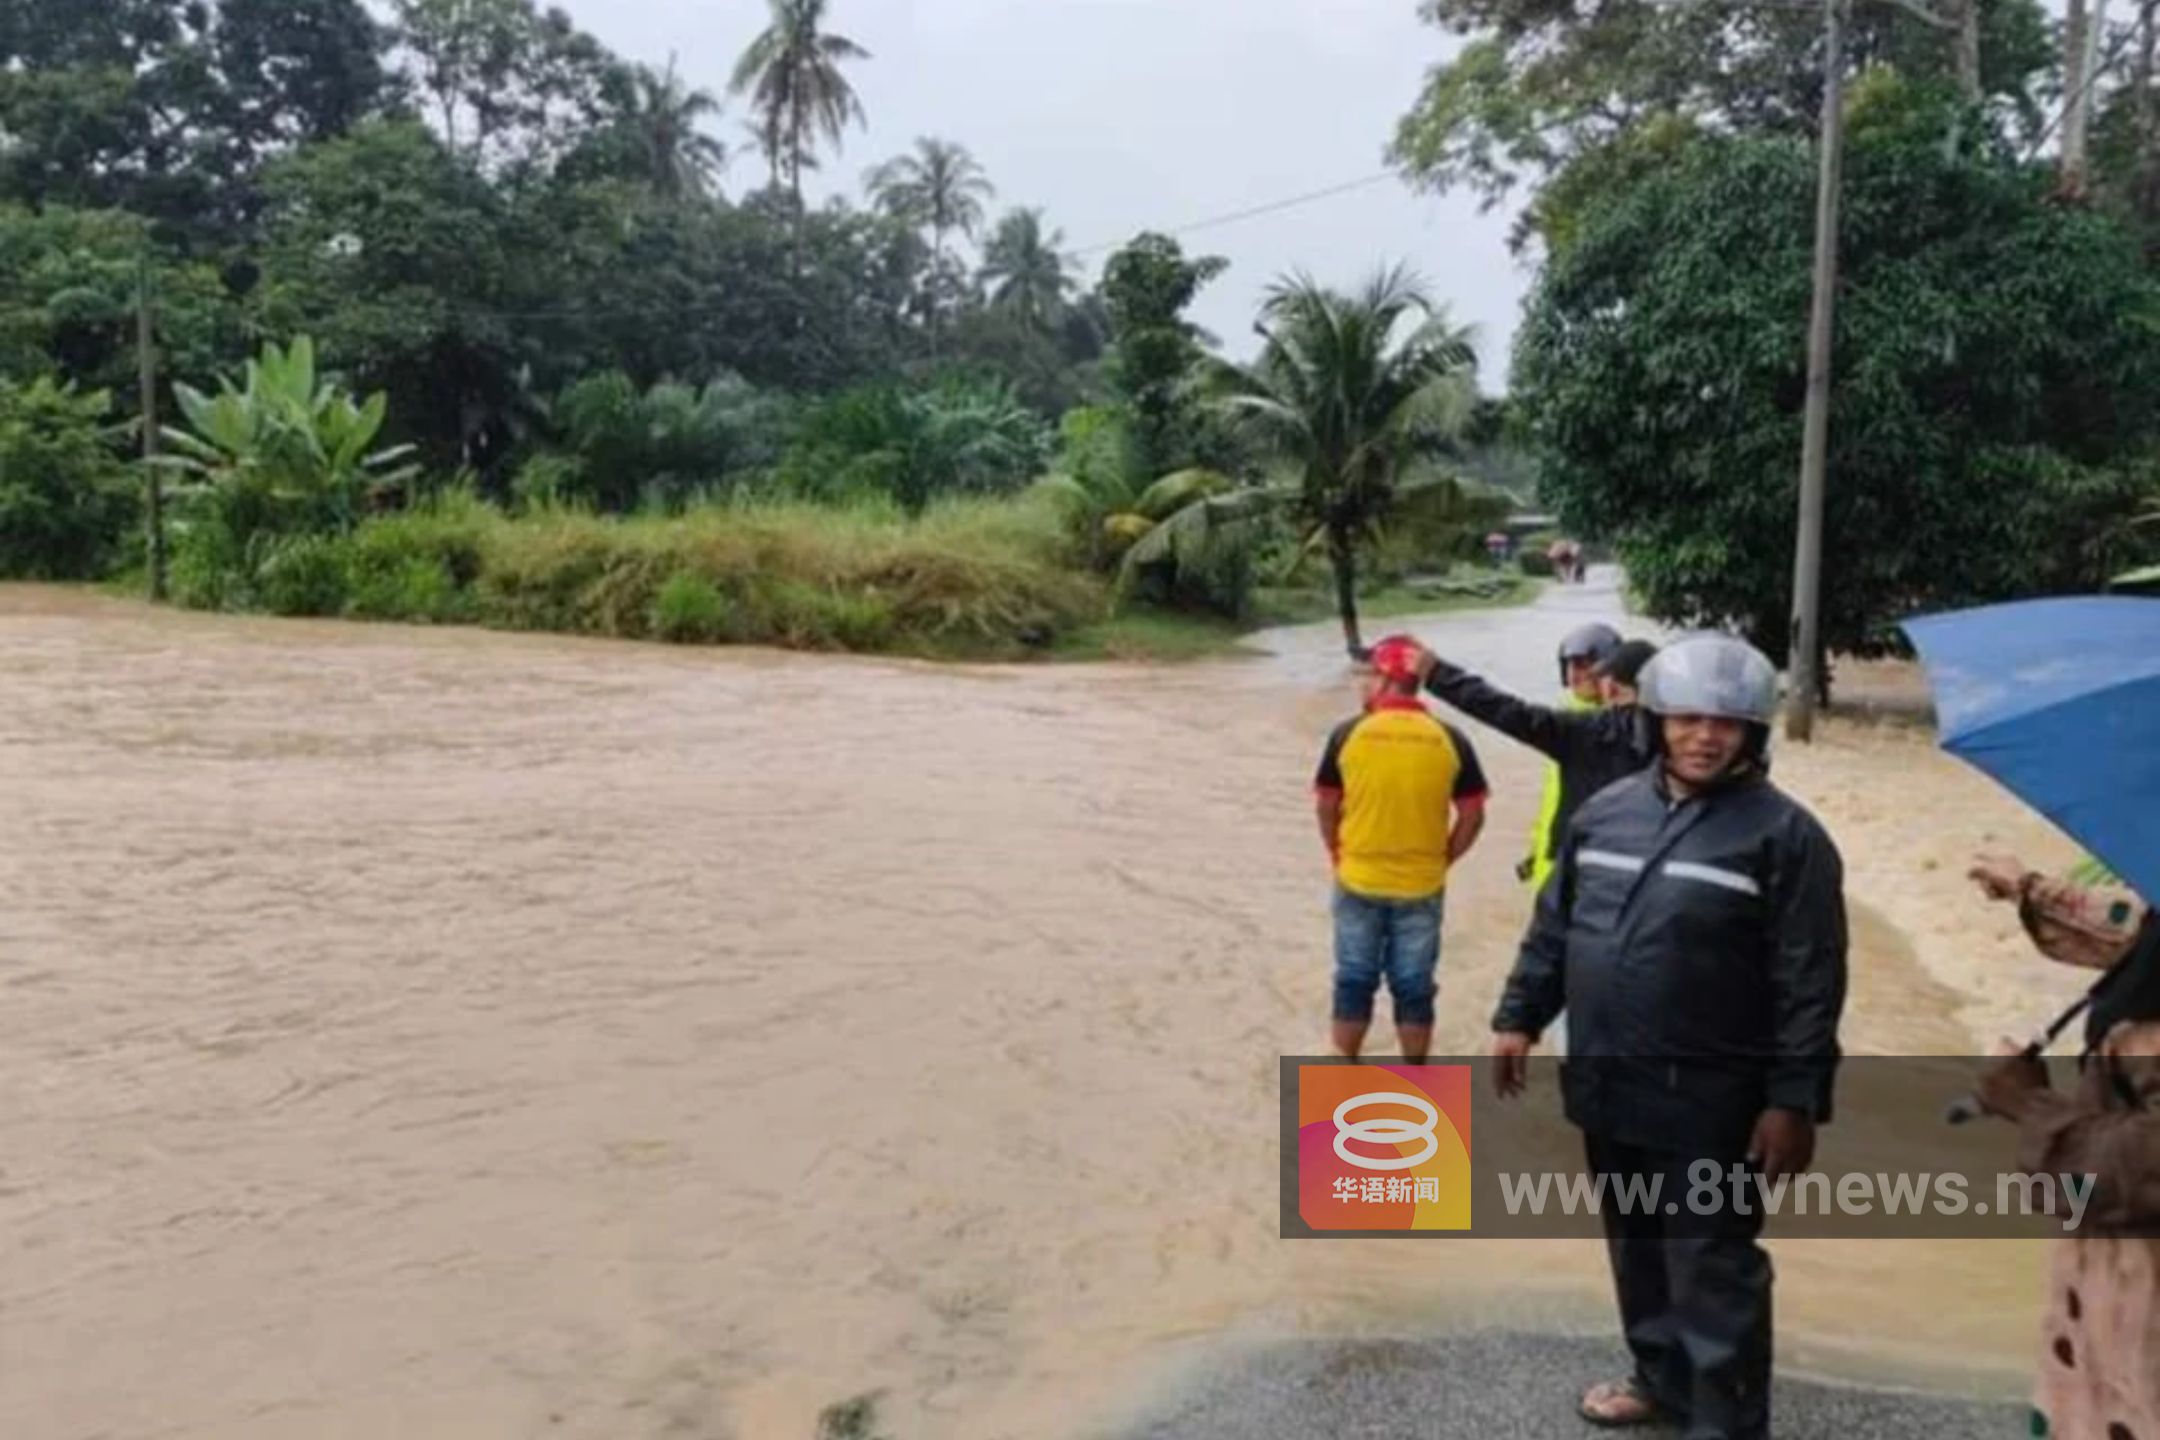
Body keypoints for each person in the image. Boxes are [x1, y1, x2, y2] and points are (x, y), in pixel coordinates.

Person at [1488, 634, 1849, 1438]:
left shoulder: (1786, 839)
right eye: (1685, 718)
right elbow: (1556, 927)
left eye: (1725, 722)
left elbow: (1810, 983)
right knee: (1638, 1245)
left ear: (1752, 733)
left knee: (1712, 1265)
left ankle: (1724, 1422)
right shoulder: (1606, 813)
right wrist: (1517, 1018)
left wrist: (1795, 1101)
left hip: (1715, 1105)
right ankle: (1659, 1381)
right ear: (1655, 721)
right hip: (1610, 1082)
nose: (1704, 736)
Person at [1969, 857, 2160, 1440]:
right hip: (2111, 1288)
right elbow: (2128, 925)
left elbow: (2148, 1165)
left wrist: (2031, 1108)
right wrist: (2034, 892)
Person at [1313, 634, 1490, 1064]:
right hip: (1422, 885)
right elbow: (1472, 816)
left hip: (1358, 878)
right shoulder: (1451, 738)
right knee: (1414, 986)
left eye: (1368, 673)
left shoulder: (1348, 734)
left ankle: (1341, 1082)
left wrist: (1337, 852)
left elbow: (1326, 805)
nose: (1362, 684)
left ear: (1385, 678)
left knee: (1354, 979)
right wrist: (1444, 858)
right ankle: (1415, 1082)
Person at [1410, 632, 1660, 895]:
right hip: (1648, 878)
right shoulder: (1683, 736)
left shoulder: (1586, 732)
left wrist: (1438, 674)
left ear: (1611, 687)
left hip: (1584, 872)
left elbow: (1508, 712)